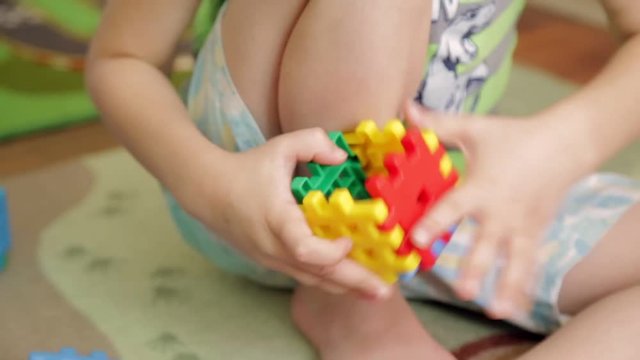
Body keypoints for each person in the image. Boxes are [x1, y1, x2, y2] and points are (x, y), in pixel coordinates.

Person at [86, 0, 640, 358]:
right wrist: (213, 185)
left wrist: (565, 142)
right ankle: (353, 312)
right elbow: (122, 58)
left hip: (443, 200)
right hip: (259, 189)